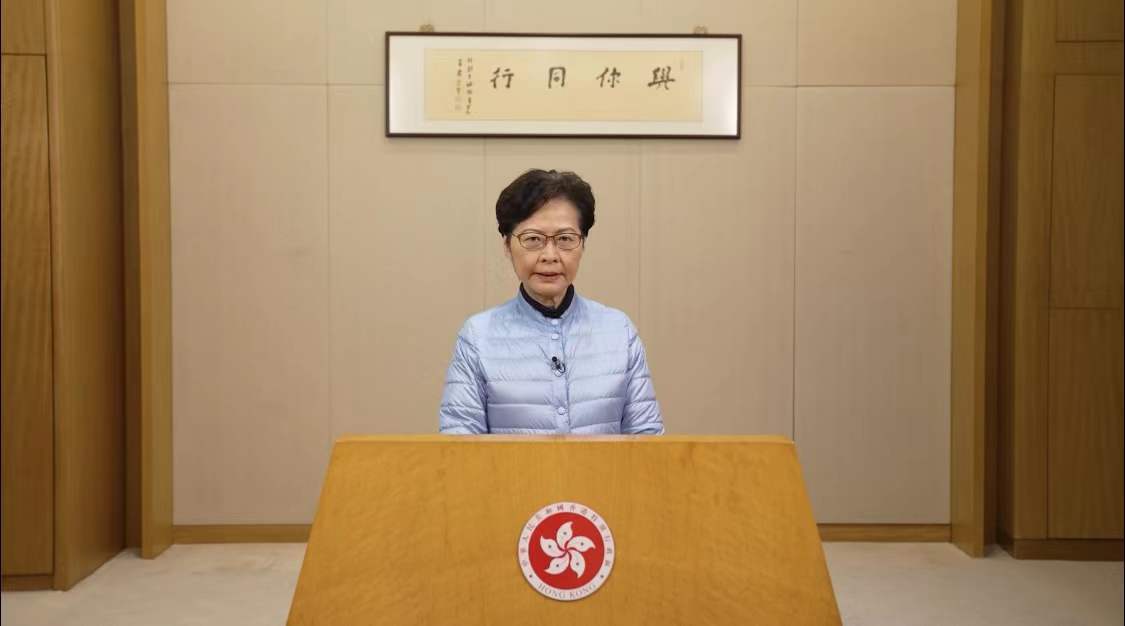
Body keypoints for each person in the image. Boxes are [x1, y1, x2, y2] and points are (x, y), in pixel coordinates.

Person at [439, 169, 664, 435]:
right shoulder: (478, 337)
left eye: (565, 239)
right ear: (507, 246)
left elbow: (647, 441)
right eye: (533, 239)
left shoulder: (619, 331)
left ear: (583, 244)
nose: (550, 255)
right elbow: (459, 444)